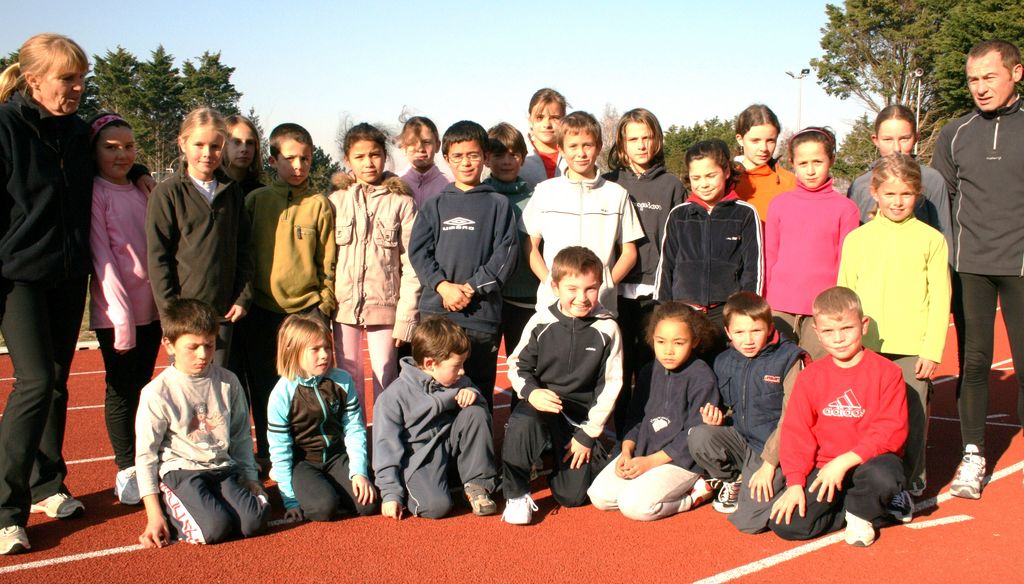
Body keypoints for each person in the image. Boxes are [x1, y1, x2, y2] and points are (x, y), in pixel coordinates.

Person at [0, 33, 94, 554]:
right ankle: (5, 511)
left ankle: (48, 485)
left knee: (56, 381)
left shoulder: (78, 131)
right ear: (33, 80)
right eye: (67, 79)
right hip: (18, 277)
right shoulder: (5, 127)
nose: (77, 88)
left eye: (81, 79)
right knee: (34, 382)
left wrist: (138, 169)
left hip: (68, 274)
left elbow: (110, 145)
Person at [931, 39, 1024, 499]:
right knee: (973, 362)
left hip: (1021, 268)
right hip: (970, 269)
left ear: (1016, 73)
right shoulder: (954, 133)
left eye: (990, 77)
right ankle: (973, 455)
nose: (980, 87)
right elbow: (940, 201)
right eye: (973, 79)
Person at [838, 154, 949, 517]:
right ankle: (863, 480)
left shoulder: (931, 240)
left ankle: (908, 482)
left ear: (918, 194)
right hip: (866, 347)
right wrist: (847, 341)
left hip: (912, 348)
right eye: (890, 193)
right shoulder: (857, 239)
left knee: (911, 419)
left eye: (906, 193)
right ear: (875, 193)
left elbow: (940, 299)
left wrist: (931, 349)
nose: (898, 201)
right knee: (864, 418)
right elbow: (845, 292)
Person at [768, 287, 907, 547]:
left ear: (863, 325)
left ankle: (862, 513)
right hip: (826, 467)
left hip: (869, 464)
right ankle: (858, 509)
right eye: (829, 331)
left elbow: (890, 431)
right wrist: (795, 481)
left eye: (847, 328)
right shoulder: (810, 376)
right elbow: (798, 432)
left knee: (883, 476)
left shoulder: (887, 372)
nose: (839, 338)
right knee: (786, 524)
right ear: (817, 332)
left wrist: (843, 462)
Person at [239, 122, 337, 469]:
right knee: (265, 385)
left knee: (309, 385)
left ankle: (311, 451)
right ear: (273, 160)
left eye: (305, 159)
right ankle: (270, 453)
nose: (299, 166)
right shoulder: (256, 201)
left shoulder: (319, 205)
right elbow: (245, 254)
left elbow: (328, 259)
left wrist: (324, 304)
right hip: (262, 310)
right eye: (290, 158)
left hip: (307, 310)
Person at [502, 246, 623, 525]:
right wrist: (531, 392)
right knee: (522, 422)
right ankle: (517, 494)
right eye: (572, 289)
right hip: (543, 409)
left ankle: (580, 455)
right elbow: (517, 365)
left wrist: (588, 434)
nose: (582, 298)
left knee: (572, 496)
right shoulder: (540, 321)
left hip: (578, 421)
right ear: (555, 287)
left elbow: (611, 386)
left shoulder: (608, 329)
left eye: (591, 289)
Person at [135, 299, 270, 548]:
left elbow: (240, 435)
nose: (203, 354)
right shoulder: (157, 392)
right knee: (215, 529)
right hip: (182, 471)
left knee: (254, 522)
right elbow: (146, 455)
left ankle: (214, 503)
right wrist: (153, 515)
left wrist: (250, 478)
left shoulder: (228, 381)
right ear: (169, 344)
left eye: (209, 345)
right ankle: (171, 502)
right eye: (193, 347)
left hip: (221, 468)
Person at [409, 120, 519, 411]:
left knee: (477, 392)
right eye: (457, 156)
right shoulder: (434, 205)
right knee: (434, 391)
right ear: (446, 158)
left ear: (485, 157)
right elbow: (419, 253)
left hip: (480, 317)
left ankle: (477, 441)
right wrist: (443, 286)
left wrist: (471, 288)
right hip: (437, 314)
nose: (466, 163)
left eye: (473, 155)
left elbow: (505, 255)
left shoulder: (498, 204)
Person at [87, 113, 162, 506]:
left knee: (144, 385)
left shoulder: (144, 189)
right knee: (120, 389)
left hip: (152, 308)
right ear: (94, 150)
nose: (122, 155)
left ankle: (145, 457)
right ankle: (126, 466)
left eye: (129, 147)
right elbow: (103, 258)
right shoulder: (95, 194)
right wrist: (121, 317)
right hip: (116, 314)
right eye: (111, 148)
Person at [688, 291, 807, 533]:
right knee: (699, 436)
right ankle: (736, 480)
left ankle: (784, 481)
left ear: (770, 328)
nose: (748, 340)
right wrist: (716, 419)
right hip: (744, 441)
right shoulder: (723, 360)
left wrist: (769, 465)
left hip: (776, 448)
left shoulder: (788, 358)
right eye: (740, 332)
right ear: (728, 332)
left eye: (756, 331)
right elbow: (728, 408)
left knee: (749, 523)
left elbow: (793, 418)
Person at [587, 301, 718, 521]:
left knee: (634, 506)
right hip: (643, 454)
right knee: (599, 496)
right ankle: (644, 484)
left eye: (679, 343)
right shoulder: (648, 370)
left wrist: (650, 463)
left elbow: (694, 432)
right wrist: (626, 452)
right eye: (661, 341)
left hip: (679, 462)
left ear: (694, 341)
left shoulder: (702, 376)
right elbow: (636, 416)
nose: (668, 350)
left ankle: (693, 494)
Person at [146, 107, 254, 366]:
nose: (207, 153)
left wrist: (243, 297)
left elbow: (245, 248)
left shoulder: (232, 192)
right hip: (185, 317)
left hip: (223, 314)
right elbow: (158, 258)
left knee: (219, 384)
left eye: (215, 146)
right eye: (199, 144)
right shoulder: (166, 194)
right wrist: (171, 314)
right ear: (182, 143)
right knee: (189, 383)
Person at [603, 108, 685, 437]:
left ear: (657, 140)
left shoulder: (671, 185)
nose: (641, 145)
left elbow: (677, 242)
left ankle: (653, 435)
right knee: (618, 371)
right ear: (621, 144)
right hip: (615, 293)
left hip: (655, 295)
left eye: (647, 137)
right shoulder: (609, 182)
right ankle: (622, 435)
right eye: (633, 139)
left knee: (652, 371)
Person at [372, 316, 499, 519]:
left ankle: (477, 484)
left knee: (475, 412)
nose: (463, 371)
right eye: (457, 366)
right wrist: (390, 493)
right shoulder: (393, 397)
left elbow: (482, 418)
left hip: (449, 448)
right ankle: (416, 487)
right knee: (436, 507)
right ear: (430, 363)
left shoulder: (460, 381)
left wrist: (474, 395)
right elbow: (385, 447)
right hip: (420, 459)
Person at [331, 123, 420, 402]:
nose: (368, 163)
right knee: (347, 376)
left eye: (375, 154)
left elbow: (412, 265)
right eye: (359, 156)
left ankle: (385, 430)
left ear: (385, 155)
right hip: (343, 307)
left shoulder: (402, 202)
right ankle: (354, 430)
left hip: (386, 306)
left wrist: (406, 316)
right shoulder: (335, 200)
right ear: (347, 159)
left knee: (385, 375)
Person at [523, 111, 643, 317]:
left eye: (587, 145)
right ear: (561, 149)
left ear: (599, 147)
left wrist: (606, 284)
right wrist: (550, 282)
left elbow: (629, 252)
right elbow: (530, 246)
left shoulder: (616, 194)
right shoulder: (544, 192)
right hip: (552, 308)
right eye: (573, 146)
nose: (581, 153)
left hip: (601, 308)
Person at [655, 139, 762, 355]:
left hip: (726, 313)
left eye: (710, 176)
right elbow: (666, 267)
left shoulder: (745, 214)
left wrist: (746, 313)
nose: (703, 184)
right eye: (696, 178)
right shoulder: (679, 215)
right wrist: (662, 311)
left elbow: (754, 269)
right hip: (685, 313)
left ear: (726, 172)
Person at [266, 314, 378, 522]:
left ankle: (332, 484)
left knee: (368, 504)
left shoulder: (342, 381)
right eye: (315, 349)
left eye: (327, 347)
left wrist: (358, 472)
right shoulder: (281, 394)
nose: (325, 355)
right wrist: (290, 500)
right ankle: (305, 485)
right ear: (293, 350)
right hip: (304, 463)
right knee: (324, 508)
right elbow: (280, 449)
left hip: (336, 456)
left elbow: (354, 429)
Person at [764, 127, 858, 360]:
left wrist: (839, 306)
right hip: (780, 305)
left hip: (824, 309)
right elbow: (769, 255)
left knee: (817, 369)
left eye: (818, 162)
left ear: (831, 160)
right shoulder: (779, 204)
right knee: (779, 368)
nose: (811, 170)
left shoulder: (846, 208)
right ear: (792, 163)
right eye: (803, 163)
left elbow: (847, 263)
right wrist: (766, 300)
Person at [846, 105, 952, 262]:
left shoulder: (932, 180)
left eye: (904, 139)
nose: (896, 148)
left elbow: (944, 238)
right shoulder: (860, 186)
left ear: (916, 137)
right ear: (875, 140)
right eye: (887, 139)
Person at [483, 122, 538, 411]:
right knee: (482, 369)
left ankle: (520, 432)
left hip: (526, 299)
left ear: (523, 157)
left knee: (524, 370)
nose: (506, 161)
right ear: (486, 158)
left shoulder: (537, 198)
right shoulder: (479, 196)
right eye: (498, 154)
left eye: (513, 154)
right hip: (488, 298)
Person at [733, 104, 796, 221]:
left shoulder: (790, 183)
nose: (764, 148)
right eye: (755, 141)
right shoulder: (725, 180)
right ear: (740, 139)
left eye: (770, 141)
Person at [520, 88, 569, 189]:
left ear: (564, 120)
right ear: (530, 120)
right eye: (540, 117)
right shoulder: (517, 157)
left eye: (555, 118)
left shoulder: (576, 155)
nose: (547, 124)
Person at [398, 116, 452, 207]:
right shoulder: (393, 185)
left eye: (426, 142)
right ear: (403, 147)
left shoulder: (450, 186)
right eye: (412, 142)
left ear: (437, 145)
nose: (420, 149)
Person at [222, 115, 265, 195]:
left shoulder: (261, 194)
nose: (244, 149)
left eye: (249, 143)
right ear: (223, 144)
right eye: (237, 142)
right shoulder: (209, 189)